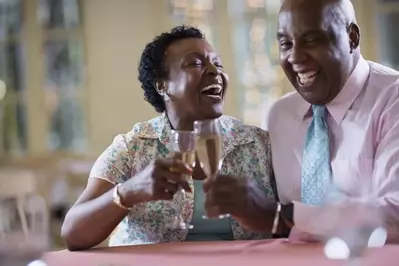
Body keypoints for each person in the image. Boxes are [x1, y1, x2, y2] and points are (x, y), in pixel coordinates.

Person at [61, 25, 276, 251]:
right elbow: (73, 234)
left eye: (218, 64)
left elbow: (296, 223)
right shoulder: (133, 147)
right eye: (196, 63)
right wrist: (129, 191)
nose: (214, 71)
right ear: (163, 85)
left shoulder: (259, 144)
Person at [263, 0, 399, 242]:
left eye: (311, 40)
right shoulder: (279, 115)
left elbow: (395, 214)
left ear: (352, 38)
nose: (294, 56)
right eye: (286, 43)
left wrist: (287, 216)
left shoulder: (392, 100)